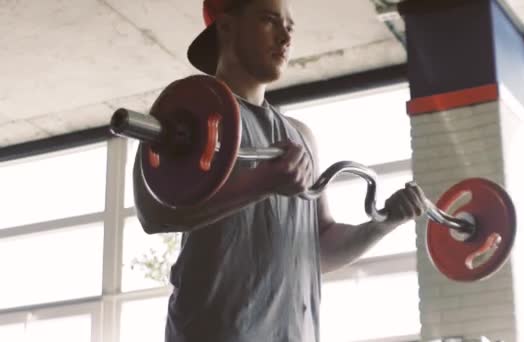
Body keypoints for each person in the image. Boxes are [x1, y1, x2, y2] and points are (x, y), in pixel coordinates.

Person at [133, 0, 428, 341]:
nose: (285, 38)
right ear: (226, 28)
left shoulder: (299, 137)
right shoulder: (187, 114)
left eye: (289, 27)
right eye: (269, 21)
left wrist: (384, 223)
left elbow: (319, 248)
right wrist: (260, 183)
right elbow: (153, 214)